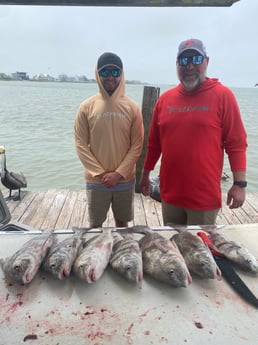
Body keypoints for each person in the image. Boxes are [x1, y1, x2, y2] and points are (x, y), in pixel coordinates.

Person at [140, 38, 247, 225]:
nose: (189, 66)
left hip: (204, 199)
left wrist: (239, 184)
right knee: (173, 248)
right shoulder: (165, 100)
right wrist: (146, 174)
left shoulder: (223, 96)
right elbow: (154, 143)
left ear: (207, 61)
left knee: (201, 249)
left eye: (196, 60)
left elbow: (236, 143)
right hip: (170, 196)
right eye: (183, 61)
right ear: (176, 65)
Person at [74, 52, 144, 228]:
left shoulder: (132, 107)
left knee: (123, 223)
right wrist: (100, 174)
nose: (110, 77)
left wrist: (119, 174)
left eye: (115, 72)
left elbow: (137, 145)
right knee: (94, 225)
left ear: (121, 74)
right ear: (98, 74)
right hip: (96, 181)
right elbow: (81, 144)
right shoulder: (86, 107)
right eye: (105, 72)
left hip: (125, 180)